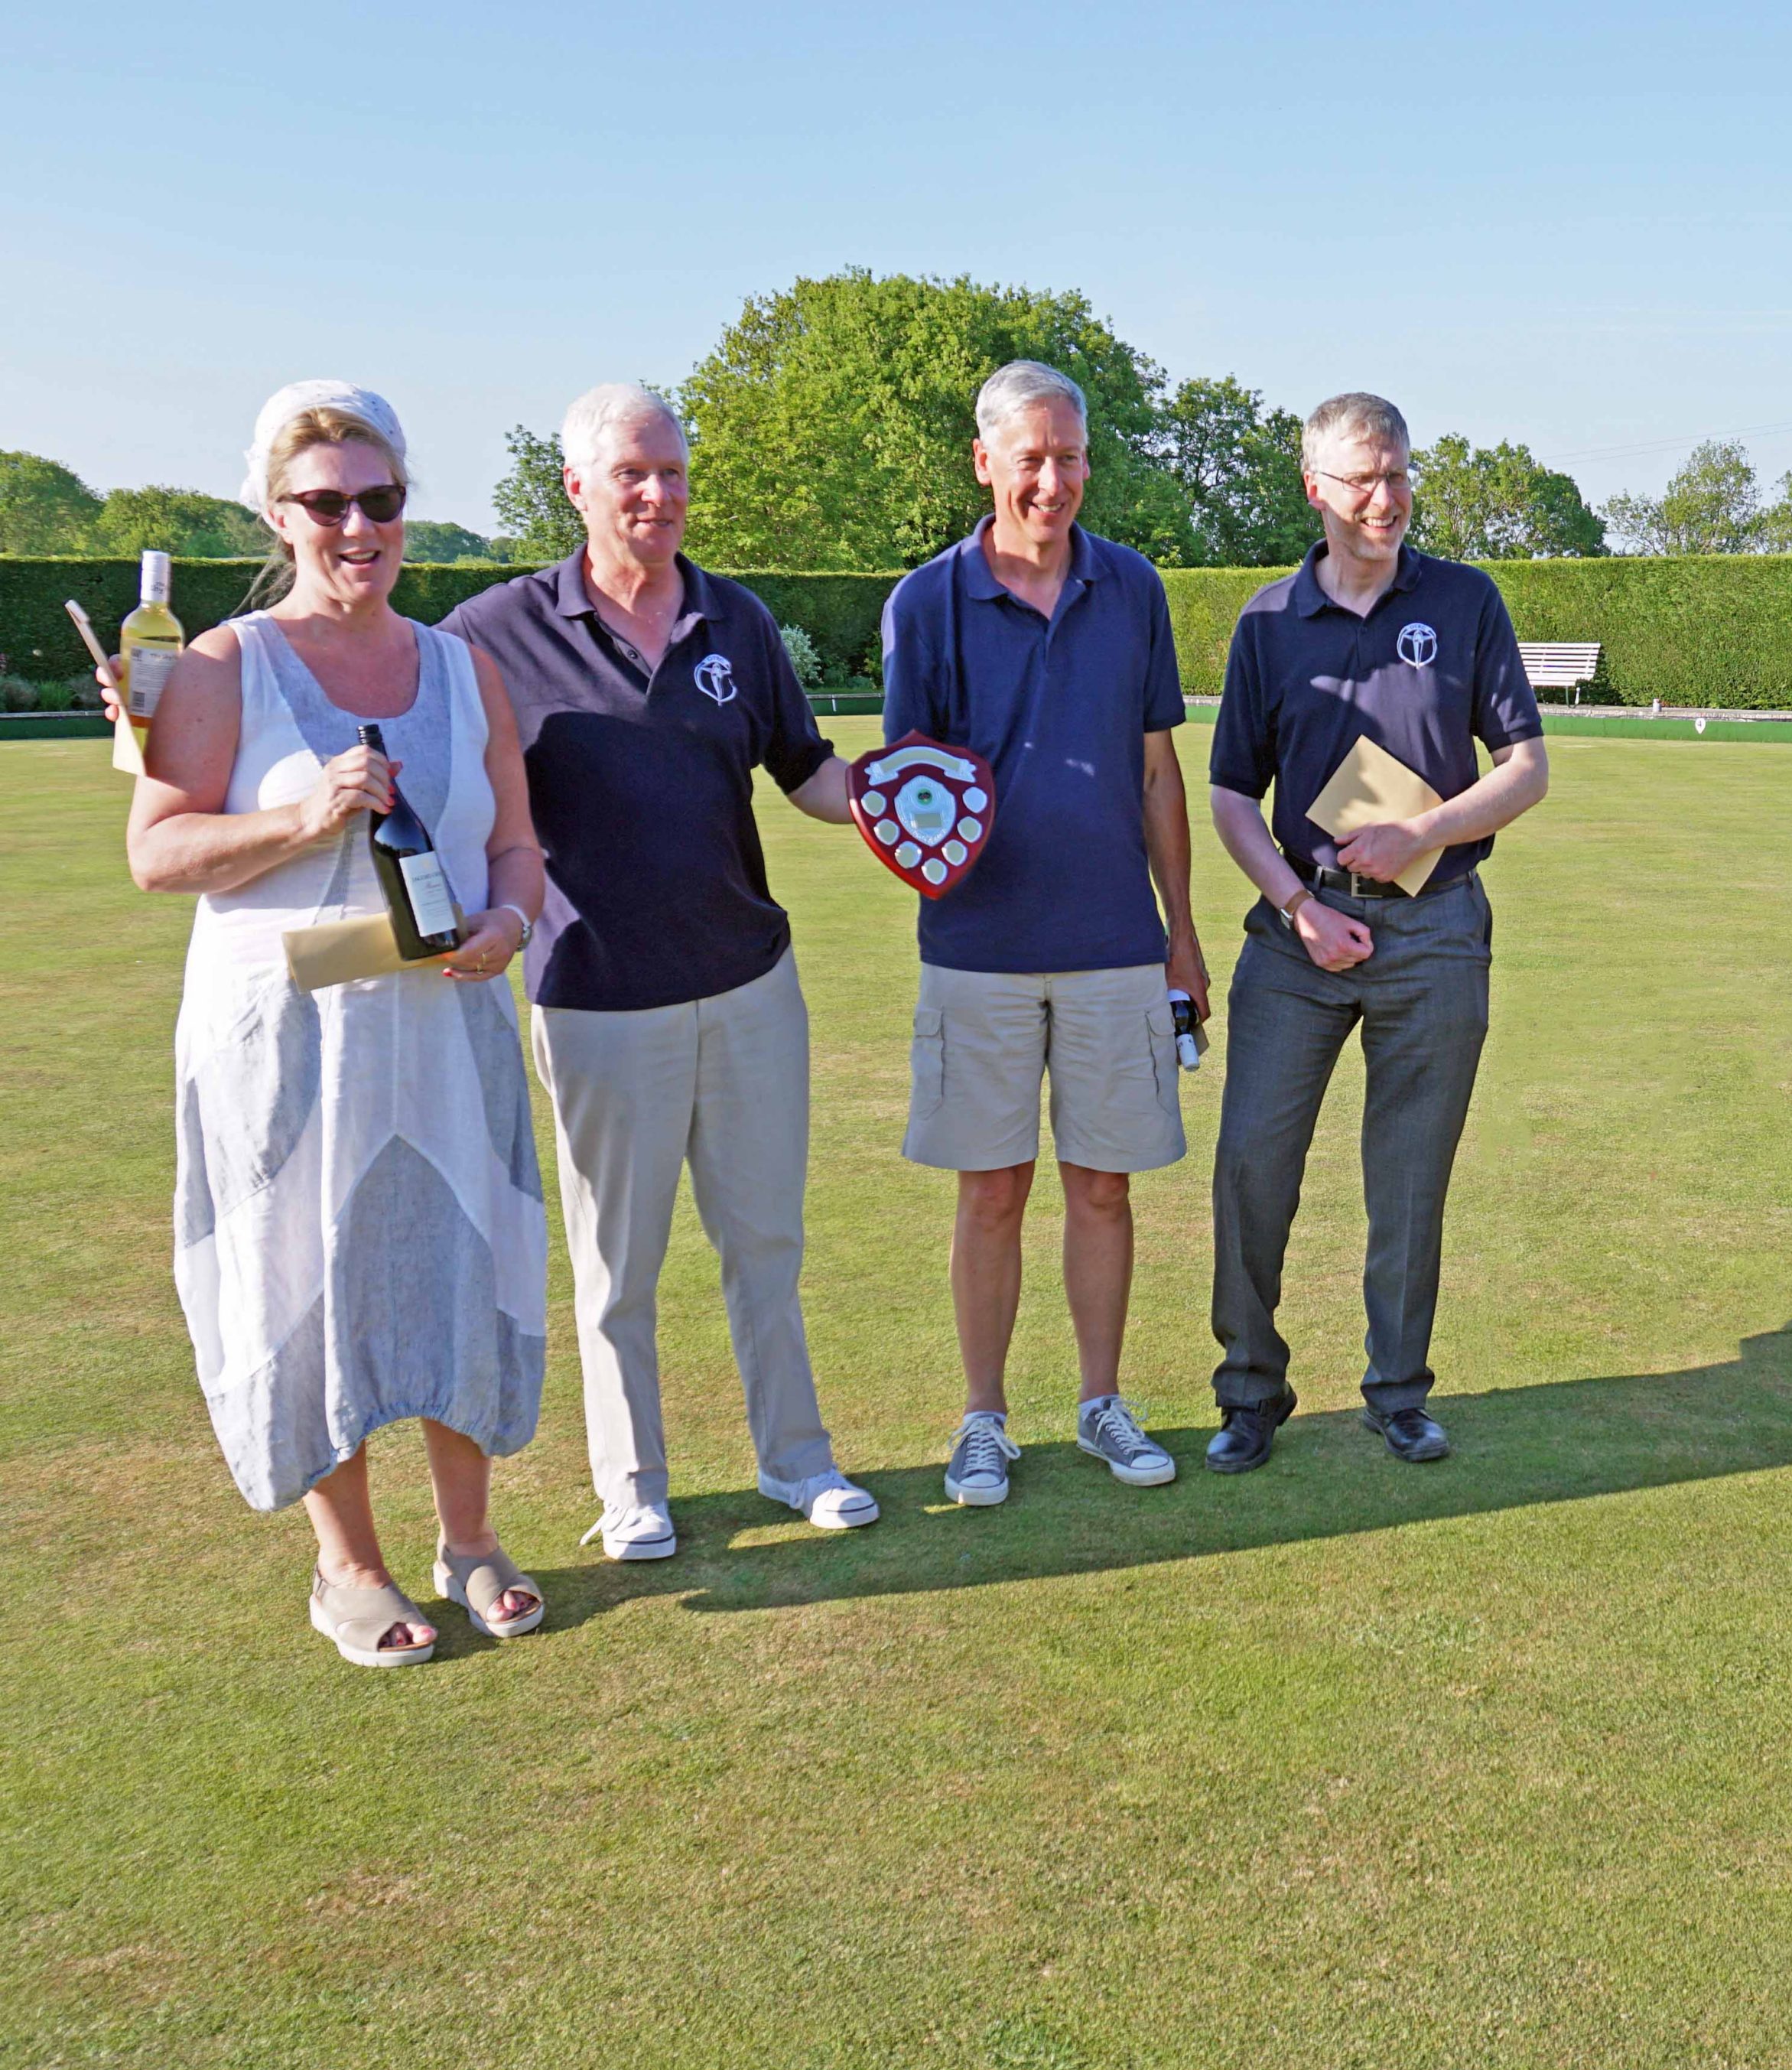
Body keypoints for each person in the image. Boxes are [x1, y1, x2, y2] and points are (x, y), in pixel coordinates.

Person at [119, 380, 548, 1666]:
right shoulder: (222, 665)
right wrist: (304, 820)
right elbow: (157, 850)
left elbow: (518, 845)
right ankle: (348, 1568)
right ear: (278, 513)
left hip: (448, 1025)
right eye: (326, 502)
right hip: (291, 1037)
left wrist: (511, 925)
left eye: (382, 500)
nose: (357, 525)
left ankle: (468, 1541)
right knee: (307, 1285)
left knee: (457, 1271)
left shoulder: (468, 669)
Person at [438, 385, 878, 1561]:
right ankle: (633, 1486)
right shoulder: (489, 633)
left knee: (765, 1248)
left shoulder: (736, 620)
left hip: (746, 984)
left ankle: (798, 1462)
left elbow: (809, 776)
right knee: (615, 1270)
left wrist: (903, 799)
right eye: (632, 474)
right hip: (592, 995)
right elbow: (421, 757)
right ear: (576, 487)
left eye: (674, 473)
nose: (659, 494)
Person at [880, 360, 1208, 1509]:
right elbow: (907, 789)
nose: (1055, 479)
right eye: (1032, 458)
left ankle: (1103, 1403)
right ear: (985, 461)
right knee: (991, 1192)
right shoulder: (925, 602)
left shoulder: (1135, 587)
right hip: (977, 950)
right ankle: (982, 1418)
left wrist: (1183, 935)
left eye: (1071, 457)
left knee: (1106, 1189)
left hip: (1118, 942)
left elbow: (1160, 774)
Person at [1205, 392, 1550, 1472]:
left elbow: (1526, 769)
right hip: (1296, 935)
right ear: (1315, 486)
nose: (1386, 497)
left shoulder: (1464, 600)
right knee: (1253, 1165)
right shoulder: (1266, 621)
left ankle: (1399, 1392)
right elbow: (1227, 797)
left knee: (1410, 1176)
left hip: (1437, 928)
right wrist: (1301, 908)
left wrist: (1423, 832)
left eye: (1399, 474)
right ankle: (1250, 1393)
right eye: (1362, 478)